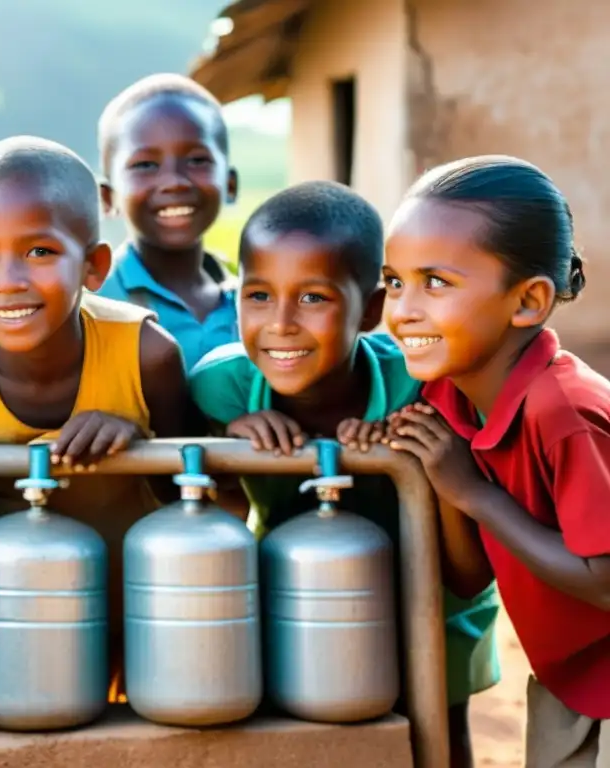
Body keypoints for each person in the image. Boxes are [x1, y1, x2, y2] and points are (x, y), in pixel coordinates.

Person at [188, 181, 499, 768]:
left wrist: (416, 462)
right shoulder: (221, 387)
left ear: (373, 309)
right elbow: (210, 509)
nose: (280, 324)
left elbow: (466, 574)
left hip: (433, 603)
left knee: (434, 732)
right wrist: (226, 448)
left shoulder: (424, 388)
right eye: (257, 295)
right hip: (294, 594)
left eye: (312, 299)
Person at [0, 136, 191, 701]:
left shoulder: (147, 356)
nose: (8, 280)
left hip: (148, 617)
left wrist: (136, 442)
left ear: (93, 266)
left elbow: (192, 496)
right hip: (20, 622)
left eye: (39, 252)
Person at [380, 156, 610, 767]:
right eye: (395, 280)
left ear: (529, 301)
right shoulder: (449, 397)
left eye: (436, 282)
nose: (402, 309)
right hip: (570, 682)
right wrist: (444, 483)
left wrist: (475, 495)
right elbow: (467, 577)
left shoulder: (565, 411)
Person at [95, 73, 239, 373]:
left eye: (197, 160)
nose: (174, 182)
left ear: (230, 184)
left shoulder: (256, 300)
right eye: (145, 165)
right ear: (108, 198)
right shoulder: (90, 305)